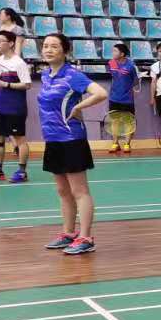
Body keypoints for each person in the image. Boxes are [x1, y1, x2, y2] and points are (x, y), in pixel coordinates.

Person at [38, 33, 107, 254]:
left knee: (79, 191)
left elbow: (101, 93)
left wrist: (79, 107)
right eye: (45, 46)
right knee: (62, 190)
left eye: (54, 46)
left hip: (71, 139)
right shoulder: (46, 75)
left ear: (65, 51)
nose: (48, 50)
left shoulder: (72, 75)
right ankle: (69, 233)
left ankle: (86, 237)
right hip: (52, 139)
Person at [0, 29, 32, 183]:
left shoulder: (19, 63)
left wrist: (7, 84)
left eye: (1, 41)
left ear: (10, 43)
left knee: (19, 139)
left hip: (15, 107)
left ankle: (22, 172)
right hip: (1, 107)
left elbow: (27, 85)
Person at [105, 42, 139, 154]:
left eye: (115, 51)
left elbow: (135, 81)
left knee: (128, 121)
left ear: (122, 54)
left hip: (127, 99)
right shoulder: (111, 63)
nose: (112, 53)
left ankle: (127, 144)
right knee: (114, 121)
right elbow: (113, 75)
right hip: (114, 98)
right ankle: (115, 143)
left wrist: (127, 89)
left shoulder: (130, 66)